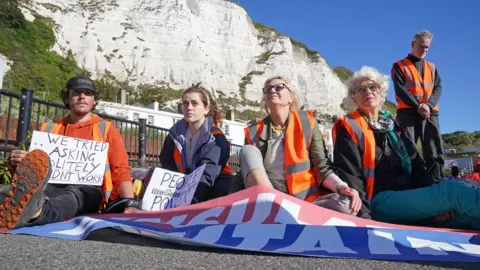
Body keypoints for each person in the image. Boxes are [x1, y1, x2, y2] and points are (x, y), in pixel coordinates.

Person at [333, 66, 480, 228]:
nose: (368, 91)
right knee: (453, 192)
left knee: (465, 215)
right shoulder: (348, 128)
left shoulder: (393, 127)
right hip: (377, 201)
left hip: (409, 200)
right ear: (353, 98)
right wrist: (364, 220)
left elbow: (417, 166)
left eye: (372, 86)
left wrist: (435, 207)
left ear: (381, 92)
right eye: (360, 89)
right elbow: (351, 176)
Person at [0, 75, 136, 231]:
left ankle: (37, 212)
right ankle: (22, 209)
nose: (82, 96)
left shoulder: (107, 129)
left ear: (94, 100)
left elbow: (121, 169)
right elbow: (33, 171)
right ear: (66, 98)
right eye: (77, 92)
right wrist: (15, 161)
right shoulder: (48, 129)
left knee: (75, 196)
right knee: (8, 191)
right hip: (50, 185)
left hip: (89, 190)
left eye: (88, 93)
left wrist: (129, 203)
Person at [240, 76, 362, 215]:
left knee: (346, 204)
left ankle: (284, 214)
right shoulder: (253, 131)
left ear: (290, 98)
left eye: (279, 87)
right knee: (247, 150)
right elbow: (247, 170)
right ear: (265, 101)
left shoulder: (307, 122)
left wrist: (341, 186)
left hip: (305, 200)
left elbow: (321, 166)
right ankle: (273, 207)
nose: (273, 90)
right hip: (270, 198)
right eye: (268, 89)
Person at [159, 83, 232, 203]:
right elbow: (167, 165)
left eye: (195, 103)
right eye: (185, 103)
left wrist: (189, 201)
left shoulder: (216, 137)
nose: (189, 107)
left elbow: (208, 173)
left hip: (213, 185)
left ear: (206, 109)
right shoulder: (174, 135)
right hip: (183, 183)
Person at [392, 30, 445, 180]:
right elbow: (401, 90)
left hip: (430, 113)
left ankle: (437, 182)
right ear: (412, 44)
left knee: (434, 150)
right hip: (408, 113)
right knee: (407, 149)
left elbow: (438, 88)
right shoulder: (399, 66)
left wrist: (428, 105)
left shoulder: (432, 67)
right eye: (421, 46)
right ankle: (408, 183)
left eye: (427, 47)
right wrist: (418, 106)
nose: (424, 50)